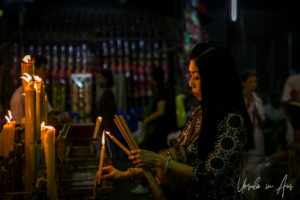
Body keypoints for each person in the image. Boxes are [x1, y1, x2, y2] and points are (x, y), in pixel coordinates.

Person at [101, 42, 253, 200]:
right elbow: (177, 158)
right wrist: (125, 174)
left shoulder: (232, 121)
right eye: (190, 76)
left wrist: (159, 160)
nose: (190, 83)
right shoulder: (199, 113)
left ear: (215, 80)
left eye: (196, 77)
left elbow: (209, 177)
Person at [131, 67, 177, 194]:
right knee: (156, 157)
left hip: (158, 131)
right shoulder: (165, 90)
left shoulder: (162, 92)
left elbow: (160, 111)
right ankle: (154, 184)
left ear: (154, 79)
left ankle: (146, 184)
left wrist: (147, 120)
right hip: (161, 130)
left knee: (148, 156)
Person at [10, 56, 51, 124]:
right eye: (44, 69)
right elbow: (19, 126)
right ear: (34, 70)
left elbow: (49, 115)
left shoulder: (40, 92)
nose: (47, 72)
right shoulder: (19, 97)